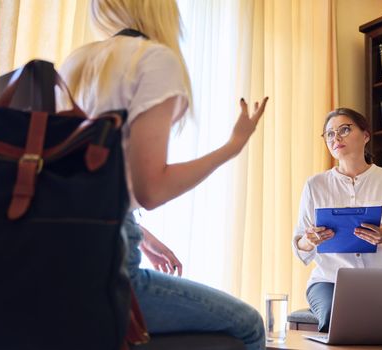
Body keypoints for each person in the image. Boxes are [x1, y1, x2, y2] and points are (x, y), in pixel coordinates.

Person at [59, 0, 268, 348]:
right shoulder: (153, 60)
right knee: (248, 325)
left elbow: (81, 185)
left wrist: (140, 233)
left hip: (60, 261)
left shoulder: (76, 62)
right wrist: (232, 147)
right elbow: (151, 191)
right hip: (108, 270)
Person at [292, 107, 382, 333]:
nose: (336, 137)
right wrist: (310, 239)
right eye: (330, 134)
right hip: (330, 281)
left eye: (344, 129)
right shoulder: (315, 185)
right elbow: (300, 247)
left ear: (365, 135)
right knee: (338, 315)